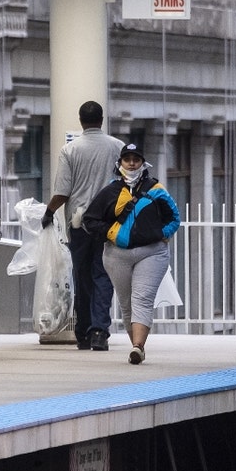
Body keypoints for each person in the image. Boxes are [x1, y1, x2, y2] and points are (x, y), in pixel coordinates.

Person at [83, 143, 181, 365]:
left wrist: (162, 233)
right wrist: (110, 233)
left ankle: (138, 347)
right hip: (117, 255)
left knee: (142, 299)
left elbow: (174, 217)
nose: (132, 163)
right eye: (127, 159)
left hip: (152, 253)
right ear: (120, 164)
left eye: (136, 159)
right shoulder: (110, 192)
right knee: (127, 303)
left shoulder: (156, 189)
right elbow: (90, 220)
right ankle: (136, 345)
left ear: (143, 163)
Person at [41, 101, 125, 351]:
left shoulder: (70, 150)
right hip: (109, 224)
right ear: (101, 119)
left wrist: (49, 211)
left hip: (79, 223)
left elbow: (62, 192)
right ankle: (100, 330)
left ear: (81, 121)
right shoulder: (117, 147)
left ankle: (83, 332)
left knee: (82, 275)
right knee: (103, 275)